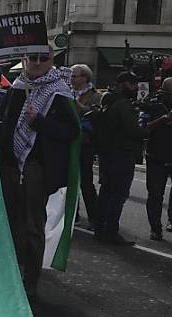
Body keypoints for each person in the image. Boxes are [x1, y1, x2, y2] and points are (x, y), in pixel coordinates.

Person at [0, 51, 79, 296]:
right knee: (11, 221)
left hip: (36, 166)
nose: (38, 63)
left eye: (44, 58)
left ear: (52, 62)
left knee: (32, 223)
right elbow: (6, 119)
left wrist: (40, 121)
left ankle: (31, 279)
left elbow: (71, 131)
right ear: (26, 60)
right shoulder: (17, 87)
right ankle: (11, 271)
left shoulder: (59, 91)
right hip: (10, 164)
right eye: (33, 58)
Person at [94, 71, 147, 245]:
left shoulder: (109, 101)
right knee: (118, 194)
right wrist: (151, 127)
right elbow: (133, 130)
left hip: (108, 153)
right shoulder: (123, 104)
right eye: (132, 84)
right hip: (121, 154)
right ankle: (111, 231)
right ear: (123, 84)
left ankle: (99, 229)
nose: (136, 87)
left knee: (106, 192)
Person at [70, 64, 103, 227]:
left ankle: (94, 217)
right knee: (70, 180)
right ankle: (72, 215)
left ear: (84, 77)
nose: (71, 79)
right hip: (69, 141)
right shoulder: (68, 92)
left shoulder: (96, 96)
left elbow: (95, 115)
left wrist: (77, 104)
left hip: (85, 142)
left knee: (85, 181)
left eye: (74, 76)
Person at [141, 77, 172, 241]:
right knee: (155, 194)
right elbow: (143, 128)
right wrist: (164, 119)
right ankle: (155, 228)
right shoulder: (153, 105)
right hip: (156, 156)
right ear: (165, 92)